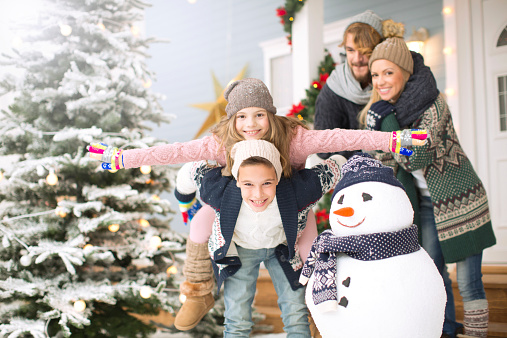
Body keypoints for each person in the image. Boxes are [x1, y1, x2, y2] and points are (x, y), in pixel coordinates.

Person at [87, 78, 427, 330]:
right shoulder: (222, 143)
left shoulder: (293, 140)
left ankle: (343, 308)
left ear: (270, 114)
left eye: (259, 115)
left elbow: (343, 136)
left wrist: (392, 139)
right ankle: (198, 290)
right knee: (235, 309)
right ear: (232, 120)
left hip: (287, 230)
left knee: (296, 308)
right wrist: (122, 158)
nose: (251, 125)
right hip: (241, 234)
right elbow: (173, 152)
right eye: (242, 117)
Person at [359, 20, 496, 338]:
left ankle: (477, 335)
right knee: (434, 274)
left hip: (462, 202)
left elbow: (415, 156)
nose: (380, 81)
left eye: (388, 73)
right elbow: (383, 160)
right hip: (426, 208)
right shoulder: (379, 114)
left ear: (404, 73)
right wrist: (382, 133)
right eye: (376, 74)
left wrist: (388, 124)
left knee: (468, 281)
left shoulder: (434, 106)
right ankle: (446, 331)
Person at [178, 139, 344, 337]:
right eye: (248, 184)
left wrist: (360, 163)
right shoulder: (218, 189)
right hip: (241, 250)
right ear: (237, 180)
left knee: (296, 313)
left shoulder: (298, 189)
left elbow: (337, 166)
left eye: (267, 183)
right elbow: (190, 171)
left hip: (282, 249)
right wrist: (183, 197)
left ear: (278, 178)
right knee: (236, 317)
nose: (258, 194)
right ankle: (198, 295)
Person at [313, 10, 438, 160]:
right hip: (358, 174)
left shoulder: (397, 66)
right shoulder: (334, 90)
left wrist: (386, 118)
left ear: (379, 47)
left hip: (408, 166)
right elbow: (324, 148)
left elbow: (425, 88)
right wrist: (373, 139)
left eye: (364, 51)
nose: (357, 59)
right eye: (350, 50)